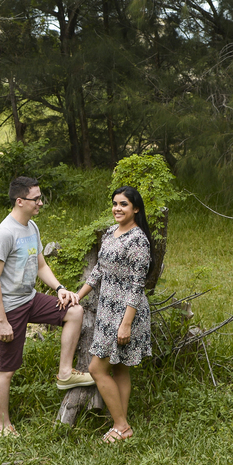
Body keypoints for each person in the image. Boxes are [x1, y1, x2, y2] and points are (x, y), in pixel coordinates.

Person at [0, 176, 94, 437]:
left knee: (74, 311)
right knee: (7, 370)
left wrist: (60, 289)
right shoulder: (5, 233)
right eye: (36, 199)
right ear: (20, 201)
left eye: (40, 197)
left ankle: (65, 373)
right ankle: (4, 425)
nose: (41, 203)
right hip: (8, 308)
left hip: (29, 298)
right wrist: (2, 321)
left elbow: (41, 265)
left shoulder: (31, 227)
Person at [74, 186, 152, 443]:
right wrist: (78, 295)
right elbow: (98, 270)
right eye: (115, 203)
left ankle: (121, 426)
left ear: (136, 209)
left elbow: (137, 285)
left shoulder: (138, 240)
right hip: (107, 310)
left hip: (126, 312)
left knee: (97, 368)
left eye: (124, 205)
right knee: (118, 368)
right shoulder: (111, 232)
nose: (117, 208)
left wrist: (126, 324)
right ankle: (121, 425)